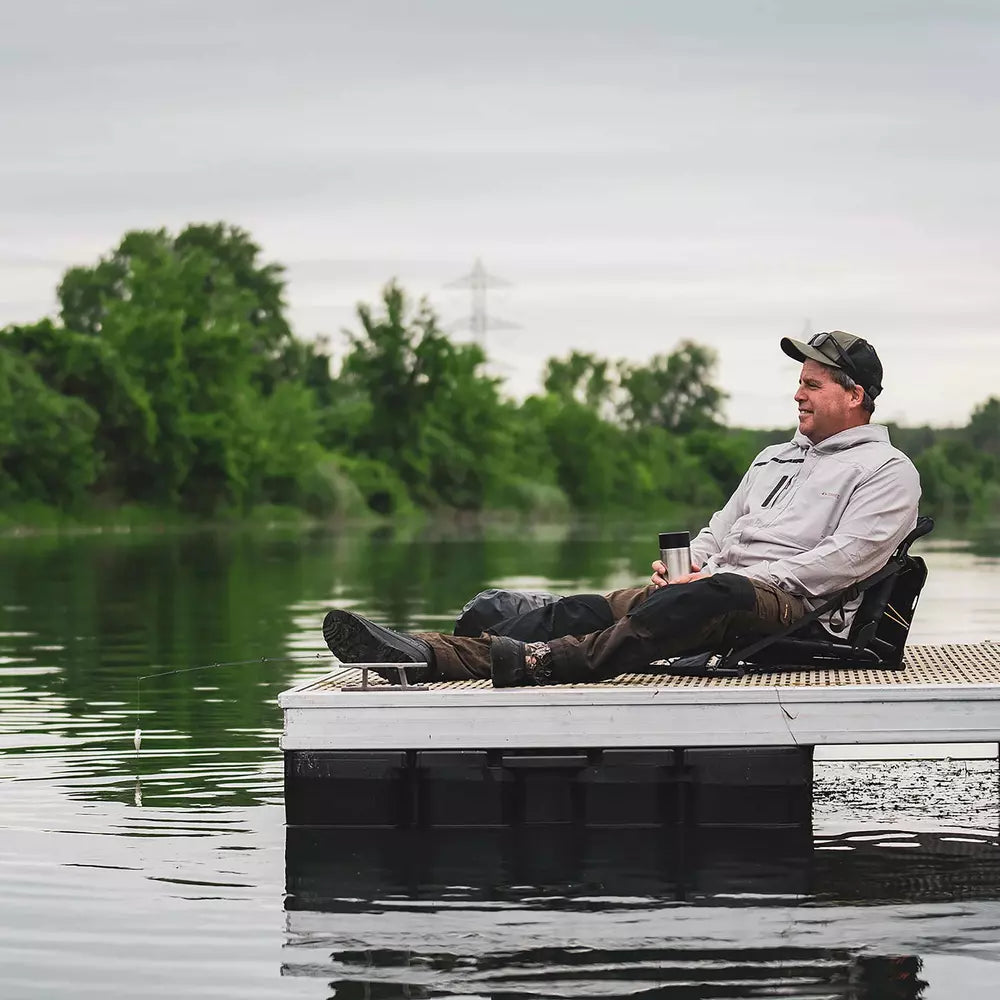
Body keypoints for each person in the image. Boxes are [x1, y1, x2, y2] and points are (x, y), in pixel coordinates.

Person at [322, 331, 920, 687]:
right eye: (800, 382)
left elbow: (838, 564)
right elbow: (721, 528)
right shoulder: (774, 457)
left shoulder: (887, 472)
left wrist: (724, 580)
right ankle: (421, 652)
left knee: (709, 597)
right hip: (710, 591)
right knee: (574, 610)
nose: (797, 393)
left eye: (812, 385)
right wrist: (691, 567)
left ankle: (544, 664)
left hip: (789, 610)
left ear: (854, 395)